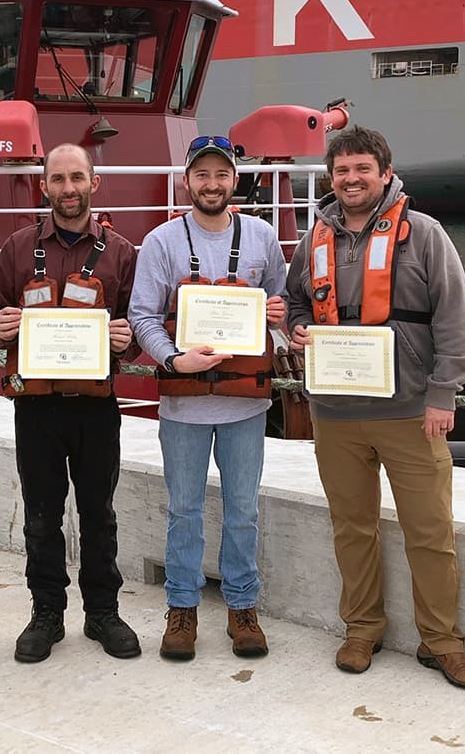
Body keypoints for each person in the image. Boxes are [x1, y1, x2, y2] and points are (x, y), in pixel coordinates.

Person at [285, 125, 465, 688]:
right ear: (331, 177)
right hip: (334, 413)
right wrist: (296, 329)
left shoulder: (424, 234)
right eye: (341, 170)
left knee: (429, 530)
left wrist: (444, 392)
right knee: (352, 528)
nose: (351, 179)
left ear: (384, 172)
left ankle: (442, 642)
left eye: (361, 169)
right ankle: (362, 628)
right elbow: (296, 304)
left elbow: (455, 319)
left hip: (409, 411)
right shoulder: (312, 239)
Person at [0, 143, 142, 663]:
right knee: (41, 516)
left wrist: (126, 339)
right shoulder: (17, 247)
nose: (68, 188)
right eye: (58, 179)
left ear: (95, 183)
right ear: (44, 186)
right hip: (37, 409)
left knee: (100, 514)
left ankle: (102, 613)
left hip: (96, 408)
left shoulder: (121, 252)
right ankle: (46, 613)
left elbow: (137, 326)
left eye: (77, 178)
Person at [129, 136, 288, 661]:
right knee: (184, 510)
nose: (212, 183)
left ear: (234, 179)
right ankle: (182, 608)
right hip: (184, 406)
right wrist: (173, 360)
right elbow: (142, 316)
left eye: (222, 174)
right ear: (187, 180)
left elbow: (284, 309)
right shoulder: (160, 241)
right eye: (202, 174)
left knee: (243, 510)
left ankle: (243, 607)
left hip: (246, 406)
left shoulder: (264, 238)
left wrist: (278, 317)